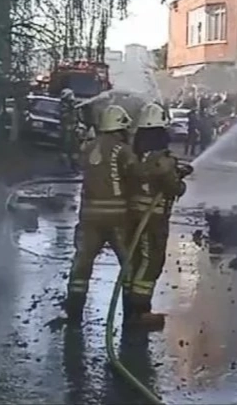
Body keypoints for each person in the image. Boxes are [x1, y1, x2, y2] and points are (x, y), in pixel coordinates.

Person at [64, 104, 141, 324]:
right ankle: (131, 313)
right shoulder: (122, 150)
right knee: (128, 264)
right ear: (120, 127)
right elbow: (136, 175)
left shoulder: (88, 148)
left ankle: (74, 310)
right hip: (117, 218)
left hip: (89, 218)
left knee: (82, 263)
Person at [128, 102, 192, 330]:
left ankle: (132, 306)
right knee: (152, 262)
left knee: (137, 260)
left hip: (133, 215)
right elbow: (174, 188)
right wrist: (179, 179)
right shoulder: (162, 160)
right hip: (153, 219)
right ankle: (140, 310)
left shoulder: (134, 154)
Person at [59, 88, 79, 171]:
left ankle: (73, 164)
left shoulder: (72, 106)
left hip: (72, 129)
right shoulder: (64, 106)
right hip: (67, 130)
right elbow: (64, 116)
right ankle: (66, 166)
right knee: (67, 146)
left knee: (74, 147)